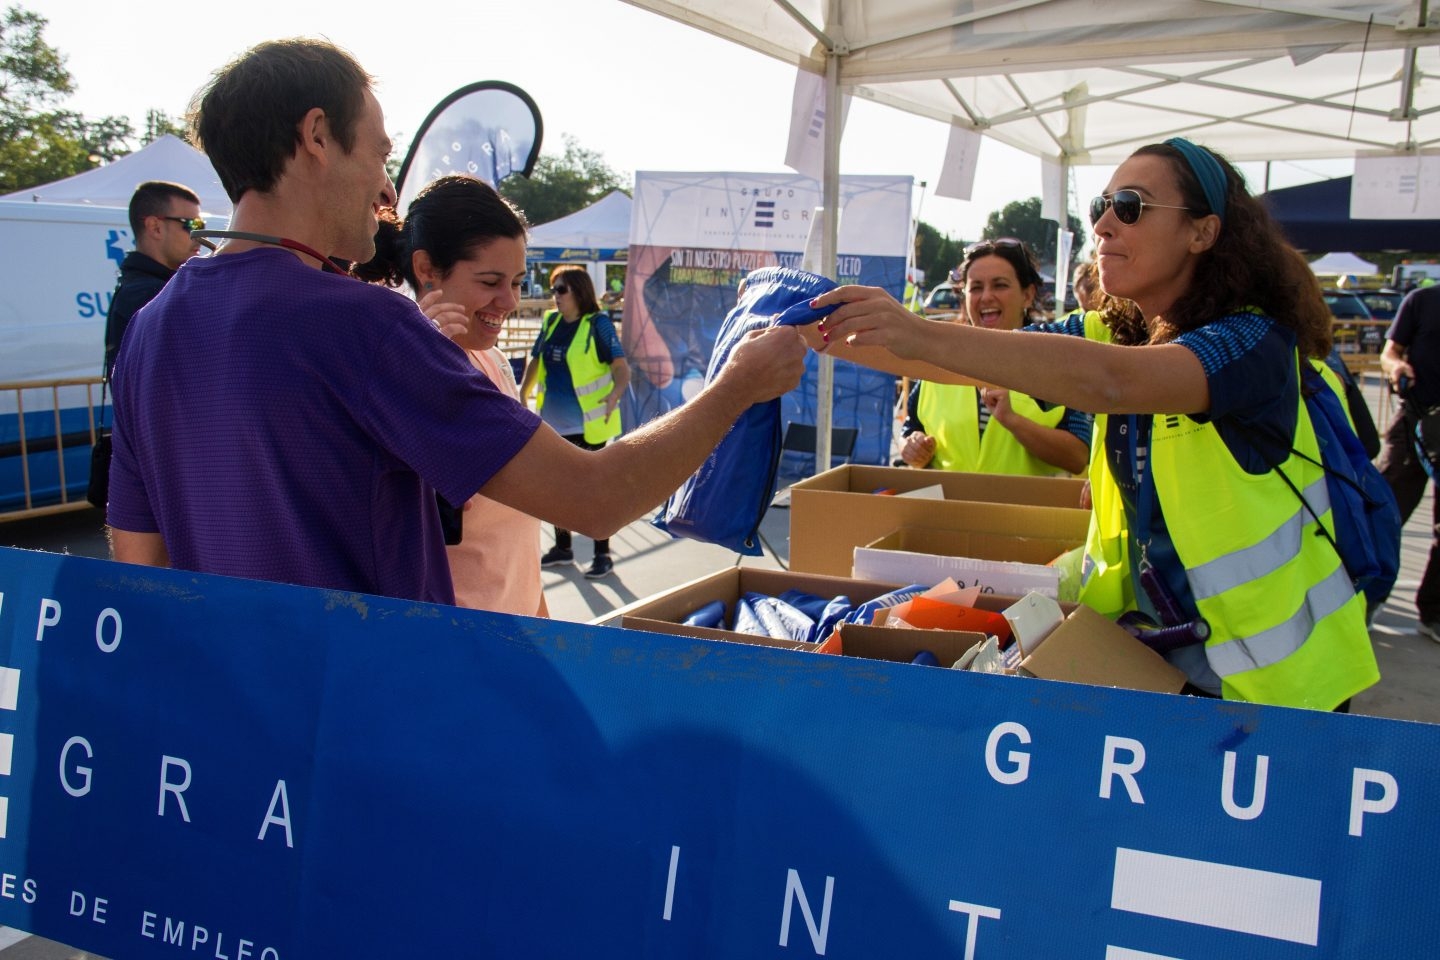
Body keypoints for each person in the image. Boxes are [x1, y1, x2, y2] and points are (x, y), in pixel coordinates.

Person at [105, 38, 806, 606]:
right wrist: (739, 383)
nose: (387, 190)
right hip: (379, 727)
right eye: (380, 152)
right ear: (317, 136)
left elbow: (140, 559)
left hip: (242, 735)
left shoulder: (151, 327)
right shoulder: (363, 325)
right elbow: (595, 498)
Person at [810, 137, 1378, 711]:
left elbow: (1114, 382)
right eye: (1100, 206)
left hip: (1279, 687)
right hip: (1162, 657)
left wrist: (918, 328)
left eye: (1129, 206)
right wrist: (808, 331)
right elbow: (960, 359)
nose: (1104, 224)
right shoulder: (1118, 329)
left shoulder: (1252, 341)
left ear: (1202, 233)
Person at [353, 175, 547, 616]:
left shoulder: (493, 362)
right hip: (451, 643)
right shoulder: (395, 373)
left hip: (513, 636)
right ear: (426, 270)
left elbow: (512, 536)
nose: (510, 301)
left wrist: (541, 622)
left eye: (517, 282)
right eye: (490, 281)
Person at [898, 240, 1090, 477]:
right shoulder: (938, 359)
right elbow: (911, 429)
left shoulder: (1056, 361)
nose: (986, 296)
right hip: (946, 512)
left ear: (1028, 295)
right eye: (976, 287)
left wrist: (1013, 421)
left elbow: (1078, 457)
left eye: (1000, 285)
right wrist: (912, 446)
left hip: (1026, 513)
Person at [518, 267, 631, 579]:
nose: (555, 295)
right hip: (551, 424)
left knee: (591, 491)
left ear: (579, 291)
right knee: (557, 490)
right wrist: (522, 394)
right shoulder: (551, 321)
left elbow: (621, 368)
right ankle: (563, 548)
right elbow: (536, 361)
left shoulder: (598, 324)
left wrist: (615, 395)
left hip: (588, 425)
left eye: (561, 289)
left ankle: (602, 554)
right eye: (553, 289)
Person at [1378, 283, 1440, 640]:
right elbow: (1389, 352)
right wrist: (1397, 365)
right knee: (1384, 513)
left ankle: (1433, 613)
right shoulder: (1423, 300)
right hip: (1416, 420)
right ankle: (1364, 597)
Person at [103, 180, 204, 378]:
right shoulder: (149, 296)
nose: (199, 235)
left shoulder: (145, 289)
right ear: (154, 227)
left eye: (202, 225)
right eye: (191, 225)